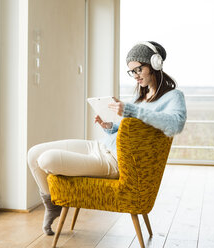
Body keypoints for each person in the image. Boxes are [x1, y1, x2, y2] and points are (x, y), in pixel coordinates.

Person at [27, 41, 187, 235]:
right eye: (132, 72)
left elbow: (175, 124)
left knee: (47, 160)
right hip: (101, 147)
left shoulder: (173, 97)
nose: (136, 76)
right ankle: (53, 205)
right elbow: (134, 132)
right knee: (33, 154)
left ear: (155, 64)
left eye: (139, 69)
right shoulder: (143, 96)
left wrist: (130, 109)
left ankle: (56, 202)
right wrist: (110, 127)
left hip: (114, 161)